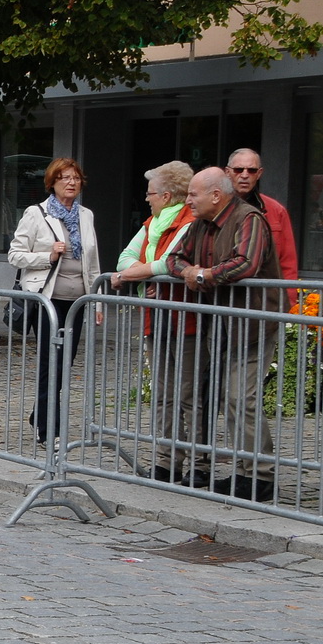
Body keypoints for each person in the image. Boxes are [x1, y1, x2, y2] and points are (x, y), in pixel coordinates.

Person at [167, 167, 281, 502]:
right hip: (221, 324)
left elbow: (246, 263)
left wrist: (203, 275)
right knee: (229, 399)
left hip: (252, 324)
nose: (188, 200)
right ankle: (245, 473)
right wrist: (190, 271)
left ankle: (260, 476)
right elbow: (173, 258)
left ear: (216, 195)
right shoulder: (199, 224)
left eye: (193, 194)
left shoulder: (249, 218)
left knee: (241, 398)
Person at [110, 161, 198, 482]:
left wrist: (129, 275)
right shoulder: (152, 223)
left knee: (189, 395)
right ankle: (166, 461)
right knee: (162, 392)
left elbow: (168, 264)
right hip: (156, 317)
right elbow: (125, 257)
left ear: (166, 195)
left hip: (187, 319)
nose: (146, 199)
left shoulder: (189, 222)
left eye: (150, 193)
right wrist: (140, 272)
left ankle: (198, 464)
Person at [8, 158, 103, 441]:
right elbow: (15, 254)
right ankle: (48, 427)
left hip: (77, 301)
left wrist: (97, 301)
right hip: (47, 300)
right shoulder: (37, 214)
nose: (71, 183)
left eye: (76, 178)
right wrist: (48, 256)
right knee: (51, 361)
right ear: (52, 183)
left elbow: (93, 264)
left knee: (65, 362)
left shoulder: (86, 215)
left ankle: (40, 413)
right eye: (65, 178)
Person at [226, 148, 299, 282]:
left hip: (264, 291)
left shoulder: (276, 210)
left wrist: (287, 294)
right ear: (227, 172)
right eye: (238, 170)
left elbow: (288, 262)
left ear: (259, 174)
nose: (244, 175)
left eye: (251, 170)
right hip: (222, 289)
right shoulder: (213, 207)